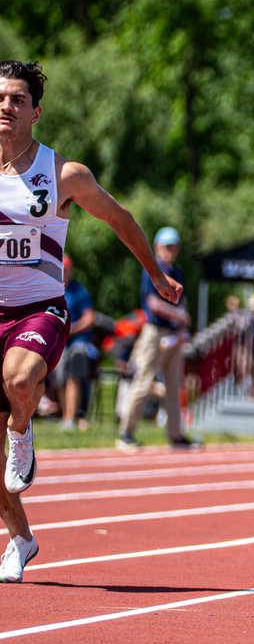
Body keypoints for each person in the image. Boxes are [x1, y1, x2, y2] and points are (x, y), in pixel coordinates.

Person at [0, 60, 182, 583]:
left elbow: (121, 219)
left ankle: (21, 429)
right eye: (0, 99)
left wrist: (157, 275)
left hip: (39, 309)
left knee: (19, 378)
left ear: (36, 111)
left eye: (17, 99)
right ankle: (22, 539)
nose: (6, 107)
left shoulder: (63, 174)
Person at [117, 226, 199, 451]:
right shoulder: (152, 269)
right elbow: (154, 304)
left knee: (174, 386)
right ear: (157, 247)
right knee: (143, 381)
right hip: (155, 333)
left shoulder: (177, 272)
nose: (171, 250)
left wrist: (182, 327)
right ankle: (126, 433)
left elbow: (181, 301)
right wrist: (180, 315)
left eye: (174, 246)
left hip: (173, 335)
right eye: (167, 246)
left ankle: (175, 434)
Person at [54, 254, 99, 429]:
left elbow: (90, 318)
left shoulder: (79, 290)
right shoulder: (52, 289)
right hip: (59, 341)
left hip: (77, 340)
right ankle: (66, 415)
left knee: (74, 371)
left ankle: (71, 417)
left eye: (66, 269)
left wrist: (72, 329)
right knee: (59, 377)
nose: (64, 272)